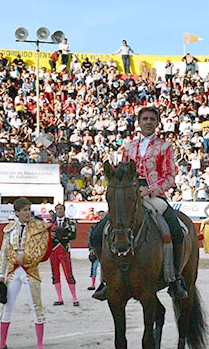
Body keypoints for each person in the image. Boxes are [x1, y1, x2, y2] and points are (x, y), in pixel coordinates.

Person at [94, 107, 187, 299]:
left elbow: (170, 177)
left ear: (157, 123)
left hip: (154, 195)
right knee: (97, 232)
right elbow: (121, 173)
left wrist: (150, 190)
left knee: (176, 230)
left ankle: (175, 278)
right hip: (129, 195)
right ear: (138, 122)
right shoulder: (128, 147)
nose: (148, 122)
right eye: (145, 118)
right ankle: (106, 279)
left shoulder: (165, 146)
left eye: (152, 119)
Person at [0, 197, 51, 349]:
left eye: (29, 209)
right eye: (24, 210)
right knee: (7, 306)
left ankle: (39, 345)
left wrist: (24, 259)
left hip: (31, 271)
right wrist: (0, 274)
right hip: (13, 272)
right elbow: (4, 253)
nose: (28, 213)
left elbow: (40, 252)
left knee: (36, 307)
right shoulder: (9, 229)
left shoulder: (39, 228)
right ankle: (2, 343)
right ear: (17, 212)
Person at [49, 203, 79, 306]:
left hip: (64, 250)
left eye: (61, 209)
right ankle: (59, 298)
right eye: (57, 209)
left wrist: (64, 235)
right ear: (55, 211)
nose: (59, 211)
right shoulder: (50, 223)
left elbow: (74, 236)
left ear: (64, 210)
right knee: (55, 274)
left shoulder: (70, 222)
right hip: (53, 251)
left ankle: (75, 298)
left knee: (68, 273)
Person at [87, 210, 105, 291]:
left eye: (103, 215)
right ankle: (93, 284)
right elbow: (90, 237)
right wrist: (91, 248)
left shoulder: (108, 226)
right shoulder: (95, 227)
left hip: (106, 251)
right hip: (97, 249)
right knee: (94, 267)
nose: (102, 217)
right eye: (100, 215)